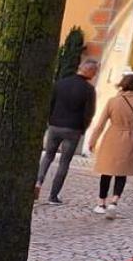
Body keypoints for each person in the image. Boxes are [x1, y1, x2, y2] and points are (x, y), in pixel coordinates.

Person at [35, 56, 98, 204]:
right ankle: (53, 196)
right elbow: (89, 112)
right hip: (73, 128)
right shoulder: (89, 90)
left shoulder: (60, 84)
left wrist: (50, 120)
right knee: (64, 162)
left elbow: (50, 103)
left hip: (55, 125)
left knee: (48, 156)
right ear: (90, 72)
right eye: (95, 72)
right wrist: (83, 128)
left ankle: (38, 182)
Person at [87, 72, 133, 214]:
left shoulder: (113, 101)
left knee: (106, 171)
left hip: (112, 136)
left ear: (122, 84)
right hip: (132, 138)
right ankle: (114, 201)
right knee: (123, 172)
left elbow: (100, 124)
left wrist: (92, 141)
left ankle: (101, 203)